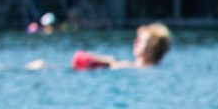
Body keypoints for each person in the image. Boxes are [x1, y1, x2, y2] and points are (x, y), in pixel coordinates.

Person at [39, 22, 172, 71]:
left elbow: (119, 65)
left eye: (142, 41)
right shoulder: (130, 65)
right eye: (136, 39)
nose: (135, 42)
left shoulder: (145, 69)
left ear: (153, 48)